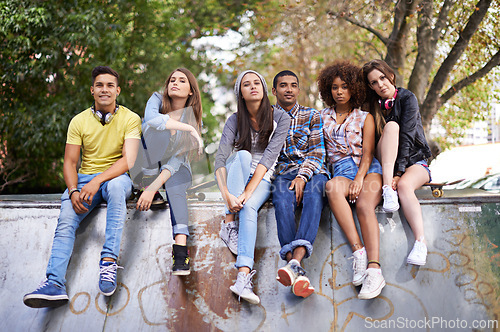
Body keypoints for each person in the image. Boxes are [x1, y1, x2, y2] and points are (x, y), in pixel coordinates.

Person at [23, 66, 141, 308]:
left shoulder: (131, 118)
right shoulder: (78, 121)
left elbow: (128, 160)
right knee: (66, 220)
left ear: (117, 91)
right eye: (100, 85)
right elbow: (70, 162)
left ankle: (108, 263)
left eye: (110, 85)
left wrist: (98, 180)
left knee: (118, 188)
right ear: (92, 90)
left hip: (115, 176)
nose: (104, 89)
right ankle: (54, 284)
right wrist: (74, 189)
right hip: (84, 180)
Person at [215, 70, 290, 304]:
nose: (253, 87)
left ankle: (243, 277)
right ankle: (228, 224)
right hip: (238, 171)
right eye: (246, 84)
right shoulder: (234, 120)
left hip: (264, 177)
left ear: (265, 88)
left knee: (248, 208)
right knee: (244, 155)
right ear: (241, 93)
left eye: (257, 83)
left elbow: (269, 159)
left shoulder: (280, 117)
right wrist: (227, 194)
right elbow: (220, 159)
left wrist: (247, 193)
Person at [318, 60, 386, 299]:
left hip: (367, 169)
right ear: (328, 90)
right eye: (335, 87)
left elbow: (368, 154)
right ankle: (359, 253)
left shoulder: (364, 117)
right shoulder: (321, 117)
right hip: (339, 170)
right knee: (331, 187)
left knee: (364, 205)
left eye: (344, 87)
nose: (339, 91)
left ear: (353, 89)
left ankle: (374, 270)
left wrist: (359, 179)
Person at [362, 59, 432, 266]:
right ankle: (386, 188)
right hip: (384, 161)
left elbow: (409, 137)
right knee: (390, 127)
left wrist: (398, 174)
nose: (380, 84)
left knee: (404, 186)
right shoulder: (371, 106)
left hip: (414, 160)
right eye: (374, 82)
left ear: (390, 75)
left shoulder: (407, 98)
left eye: (382, 78)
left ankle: (421, 242)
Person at [135, 68, 203, 276]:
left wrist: (153, 189)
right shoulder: (156, 100)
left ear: (191, 90)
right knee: (159, 130)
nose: (175, 83)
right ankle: (146, 185)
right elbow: (152, 120)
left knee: (176, 187)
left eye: (182, 81)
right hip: (146, 167)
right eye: (172, 79)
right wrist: (189, 129)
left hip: (173, 171)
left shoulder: (191, 117)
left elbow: (176, 162)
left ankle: (181, 252)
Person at [271, 70, 329, 298]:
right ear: (274, 91)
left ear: (298, 89)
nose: (289, 89)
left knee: (314, 195)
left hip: (313, 170)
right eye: (283, 86)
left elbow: (317, 152)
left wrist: (302, 177)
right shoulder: (268, 118)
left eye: (293, 85)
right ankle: (295, 268)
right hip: (283, 173)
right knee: (281, 201)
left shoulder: (312, 115)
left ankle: (294, 260)